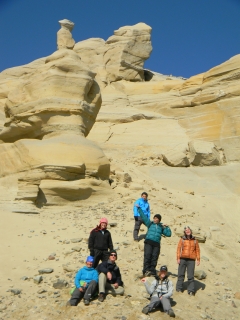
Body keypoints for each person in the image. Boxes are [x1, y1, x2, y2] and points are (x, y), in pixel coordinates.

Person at [137, 206, 172, 276]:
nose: (155, 219)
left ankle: (152, 270)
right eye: (154, 218)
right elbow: (143, 216)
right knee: (147, 255)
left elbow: (168, 234)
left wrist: (167, 227)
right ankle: (146, 270)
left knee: (154, 257)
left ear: (159, 220)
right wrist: (139, 209)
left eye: (157, 218)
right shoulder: (150, 223)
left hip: (156, 244)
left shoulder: (161, 227)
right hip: (148, 242)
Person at [176, 226, 200, 296]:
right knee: (181, 274)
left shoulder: (195, 240)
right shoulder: (182, 239)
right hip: (183, 258)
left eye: (188, 230)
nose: (187, 231)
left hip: (191, 260)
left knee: (191, 276)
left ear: (191, 231)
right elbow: (178, 249)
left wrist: (198, 259)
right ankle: (179, 288)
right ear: (185, 232)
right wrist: (178, 258)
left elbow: (197, 250)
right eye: (186, 230)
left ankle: (191, 290)